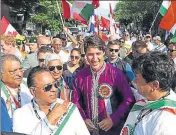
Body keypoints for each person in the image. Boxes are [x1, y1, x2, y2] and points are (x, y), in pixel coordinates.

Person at [72, 35, 134, 135]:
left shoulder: (116, 74)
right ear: (85, 55)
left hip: (113, 130)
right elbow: (75, 102)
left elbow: (128, 99)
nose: (94, 58)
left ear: (104, 52)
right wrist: (83, 119)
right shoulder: (79, 76)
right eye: (90, 54)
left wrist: (113, 119)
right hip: (87, 130)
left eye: (98, 54)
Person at [13, 67, 90, 135]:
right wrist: (49, 120)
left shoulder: (68, 107)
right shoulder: (21, 114)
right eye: (48, 87)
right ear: (33, 91)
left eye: (55, 84)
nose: (54, 89)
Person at [120, 51, 176, 135]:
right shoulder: (150, 98)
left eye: (137, 78)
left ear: (155, 85)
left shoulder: (165, 122)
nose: (134, 81)